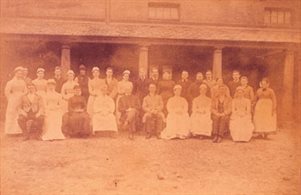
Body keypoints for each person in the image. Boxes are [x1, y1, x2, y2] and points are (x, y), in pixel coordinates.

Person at [4, 66, 27, 135]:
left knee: (19, 114)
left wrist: (23, 96)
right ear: (15, 73)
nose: (19, 75)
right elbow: (7, 92)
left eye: (21, 73)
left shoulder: (23, 82)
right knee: (12, 114)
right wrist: (10, 99)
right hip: (13, 99)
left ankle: (19, 130)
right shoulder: (10, 82)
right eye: (18, 73)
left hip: (21, 98)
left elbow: (25, 90)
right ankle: (10, 131)